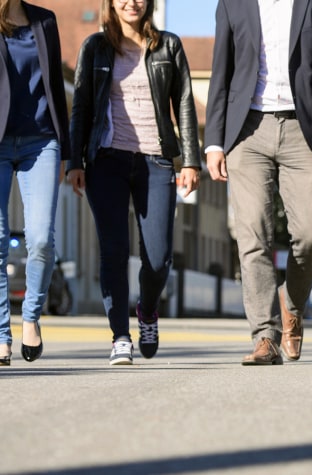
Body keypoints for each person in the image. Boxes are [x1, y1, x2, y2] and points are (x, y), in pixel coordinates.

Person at [205, 0, 312, 365]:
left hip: (302, 131)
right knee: (252, 234)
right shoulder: (231, 4)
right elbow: (220, 74)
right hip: (246, 131)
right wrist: (213, 141)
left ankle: (291, 303)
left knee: (310, 236)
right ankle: (265, 336)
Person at [67, 0, 200, 365]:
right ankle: (120, 336)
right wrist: (74, 160)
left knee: (157, 258)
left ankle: (147, 310)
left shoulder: (168, 45)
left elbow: (185, 103)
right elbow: (80, 105)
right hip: (105, 159)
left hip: (156, 160)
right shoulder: (95, 47)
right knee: (113, 249)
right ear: (110, 3)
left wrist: (190, 160)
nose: (132, 2)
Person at [0, 0, 70, 365]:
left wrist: (69, 153)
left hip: (42, 141)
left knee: (41, 237)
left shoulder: (44, 21)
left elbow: (56, 85)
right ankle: (0, 332)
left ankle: (30, 316)